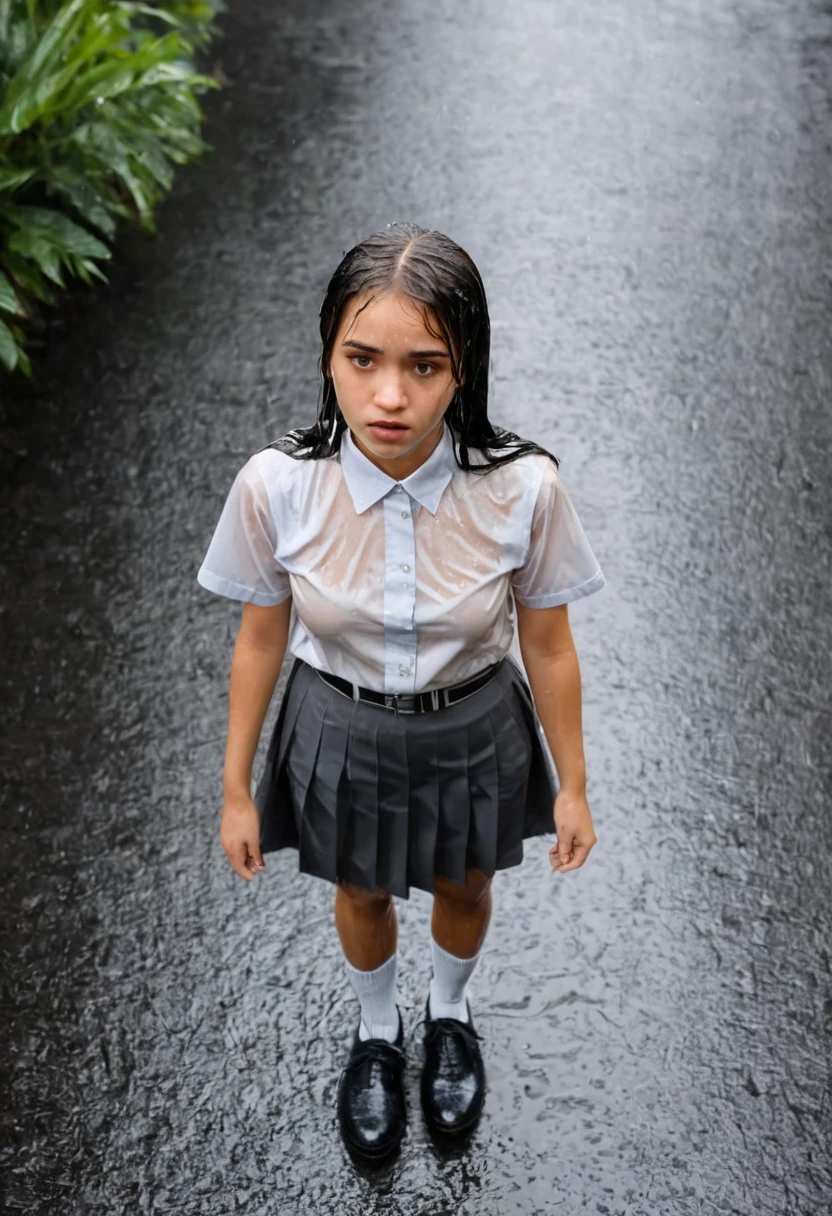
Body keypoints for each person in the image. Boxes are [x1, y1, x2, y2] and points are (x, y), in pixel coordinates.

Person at [196, 222, 606, 1161]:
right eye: (362, 358)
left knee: (466, 882)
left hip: (475, 724)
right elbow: (260, 637)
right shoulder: (277, 487)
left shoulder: (523, 489)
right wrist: (234, 789)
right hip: (339, 726)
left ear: (465, 368)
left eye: (425, 365)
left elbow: (547, 644)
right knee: (363, 887)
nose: (391, 395)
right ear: (328, 356)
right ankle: (377, 1034)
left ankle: (449, 1014)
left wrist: (575, 782)